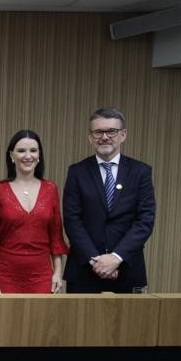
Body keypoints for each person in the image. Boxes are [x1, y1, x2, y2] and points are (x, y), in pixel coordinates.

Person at [63, 107, 155, 293]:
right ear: (90, 137)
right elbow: (72, 221)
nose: (104, 137)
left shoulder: (140, 172)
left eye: (111, 131)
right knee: (80, 323)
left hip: (127, 269)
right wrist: (96, 261)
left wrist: (116, 258)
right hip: (84, 271)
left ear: (123, 135)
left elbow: (144, 220)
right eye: (98, 132)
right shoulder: (77, 172)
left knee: (130, 323)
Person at [0, 130, 67, 293]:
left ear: (39, 155)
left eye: (33, 150)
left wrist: (57, 273)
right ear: (11, 156)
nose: (28, 156)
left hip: (42, 276)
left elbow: (56, 236)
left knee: (41, 319)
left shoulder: (50, 189)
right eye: (21, 151)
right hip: (5, 275)